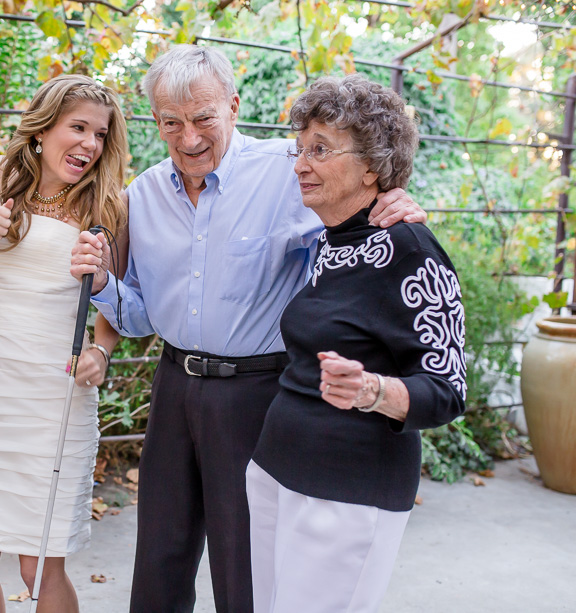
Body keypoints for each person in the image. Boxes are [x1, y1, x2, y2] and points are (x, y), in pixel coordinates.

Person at [69, 44, 427, 613]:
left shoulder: (290, 173)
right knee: (159, 554)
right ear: (156, 120)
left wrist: (394, 200)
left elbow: (356, 203)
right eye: (171, 122)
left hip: (259, 392)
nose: (188, 138)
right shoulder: (142, 196)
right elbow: (136, 317)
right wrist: (101, 286)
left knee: (246, 564)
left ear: (233, 106)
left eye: (204, 118)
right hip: (174, 385)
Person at [246, 74, 466, 612]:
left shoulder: (411, 248)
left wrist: (370, 390)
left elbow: (448, 388)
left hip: (347, 493)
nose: (300, 163)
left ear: (372, 166)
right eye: (300, 149)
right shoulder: (332, 240)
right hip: (278, 473)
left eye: (320, 149)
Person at [0, 74, 128, 613]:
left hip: (56, 394)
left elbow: (112, 302)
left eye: (100, 133)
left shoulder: (108, 203)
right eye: (78, 127)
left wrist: (101, 352)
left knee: (39, 567)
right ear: (44, 129)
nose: (90, 144)